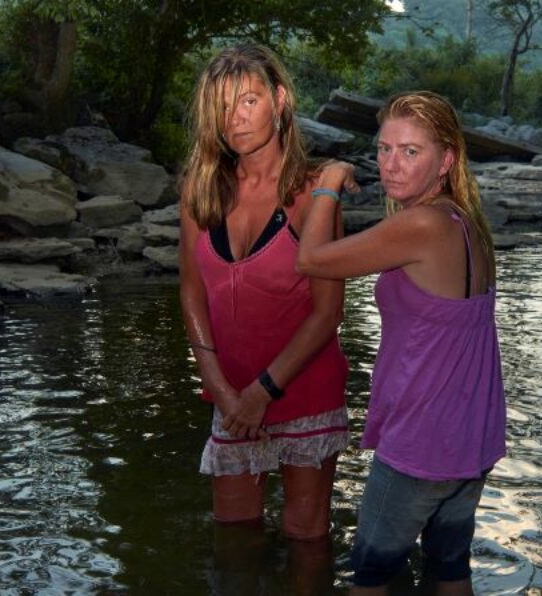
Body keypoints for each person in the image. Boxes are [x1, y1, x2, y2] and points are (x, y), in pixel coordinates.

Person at [297, 91, 507, 595]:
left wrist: (326, 188)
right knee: (449, 568)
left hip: (423, 441)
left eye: (410, 151)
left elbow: (312, 259)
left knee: (371, 575)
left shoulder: (420, 223)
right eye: (385, 149)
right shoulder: (465, 221)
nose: (392, 165)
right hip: (471, 439)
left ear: (446, 159)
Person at [178, 43, 350, 546]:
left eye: (249, 101)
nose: (236, 118)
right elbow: (190, 288)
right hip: (230, 395)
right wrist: (222, 388)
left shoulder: (314, 191)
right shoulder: (200, 187)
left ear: (279, 100)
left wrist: (261, 393)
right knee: (232, 538)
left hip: (303, 391)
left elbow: (328, 313)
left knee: (305, 539)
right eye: (224, 106)